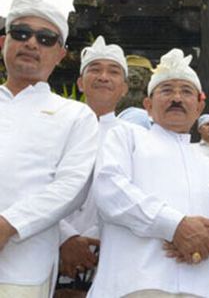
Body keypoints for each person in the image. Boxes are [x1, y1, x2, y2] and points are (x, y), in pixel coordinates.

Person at [88, 48, 209, 298]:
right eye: (166, 90)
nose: (176, 97)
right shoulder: (126, 137)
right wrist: (175, 226)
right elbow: (109, 190)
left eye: (186, 91)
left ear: (199, 106)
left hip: (199, 289)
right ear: (148, 105)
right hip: (134, 285)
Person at [0, 0, 98, 298]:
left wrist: (8, 225)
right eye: (21, 33)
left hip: (23, 268)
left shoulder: (75, 114)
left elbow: (71, 187)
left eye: (45, 39)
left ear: (60, 54)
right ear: (3, 43)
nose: (31, 43)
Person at [56, 36, 130, 295]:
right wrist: (65, 237)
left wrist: (93, 241)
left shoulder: (136, 139)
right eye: (95, 69)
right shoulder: (55, 126)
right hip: (47, 244)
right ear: (80, 82)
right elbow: (33, 183)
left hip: (108, 252)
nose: (103, 77)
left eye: (113, 71)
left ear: (125, 87)